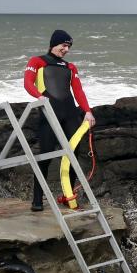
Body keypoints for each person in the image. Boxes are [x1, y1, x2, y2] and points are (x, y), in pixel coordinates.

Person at [23, 29, 96, 211]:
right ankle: (37, 199)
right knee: (45, 155)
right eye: (64, 45)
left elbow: (78, 91)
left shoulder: (70, 67)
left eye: (69, 46)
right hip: (49, 113)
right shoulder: (37, 61)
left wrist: (88, 111)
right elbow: (28, 83)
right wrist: (40, 97)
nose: (66, 49)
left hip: (70, 114)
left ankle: (68, 197)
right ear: (54, 43)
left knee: (73, 156)